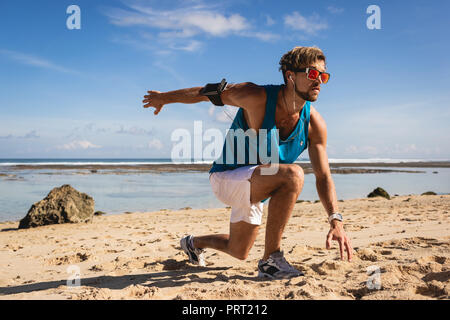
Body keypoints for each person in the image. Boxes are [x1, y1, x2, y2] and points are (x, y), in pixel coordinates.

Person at [142, 46, 353, 279]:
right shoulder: (256, 96)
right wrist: (163, 98)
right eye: (312, 74)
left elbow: (324, 176)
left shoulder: (314, 123)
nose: (319, 82)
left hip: (257, 185)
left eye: (323, 76)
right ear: (290, 75)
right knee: (293, 175)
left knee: (239, 250)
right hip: (226, 177)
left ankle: (193, 243)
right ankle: (272, 259)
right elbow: (207, 92)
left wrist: (335, 219)